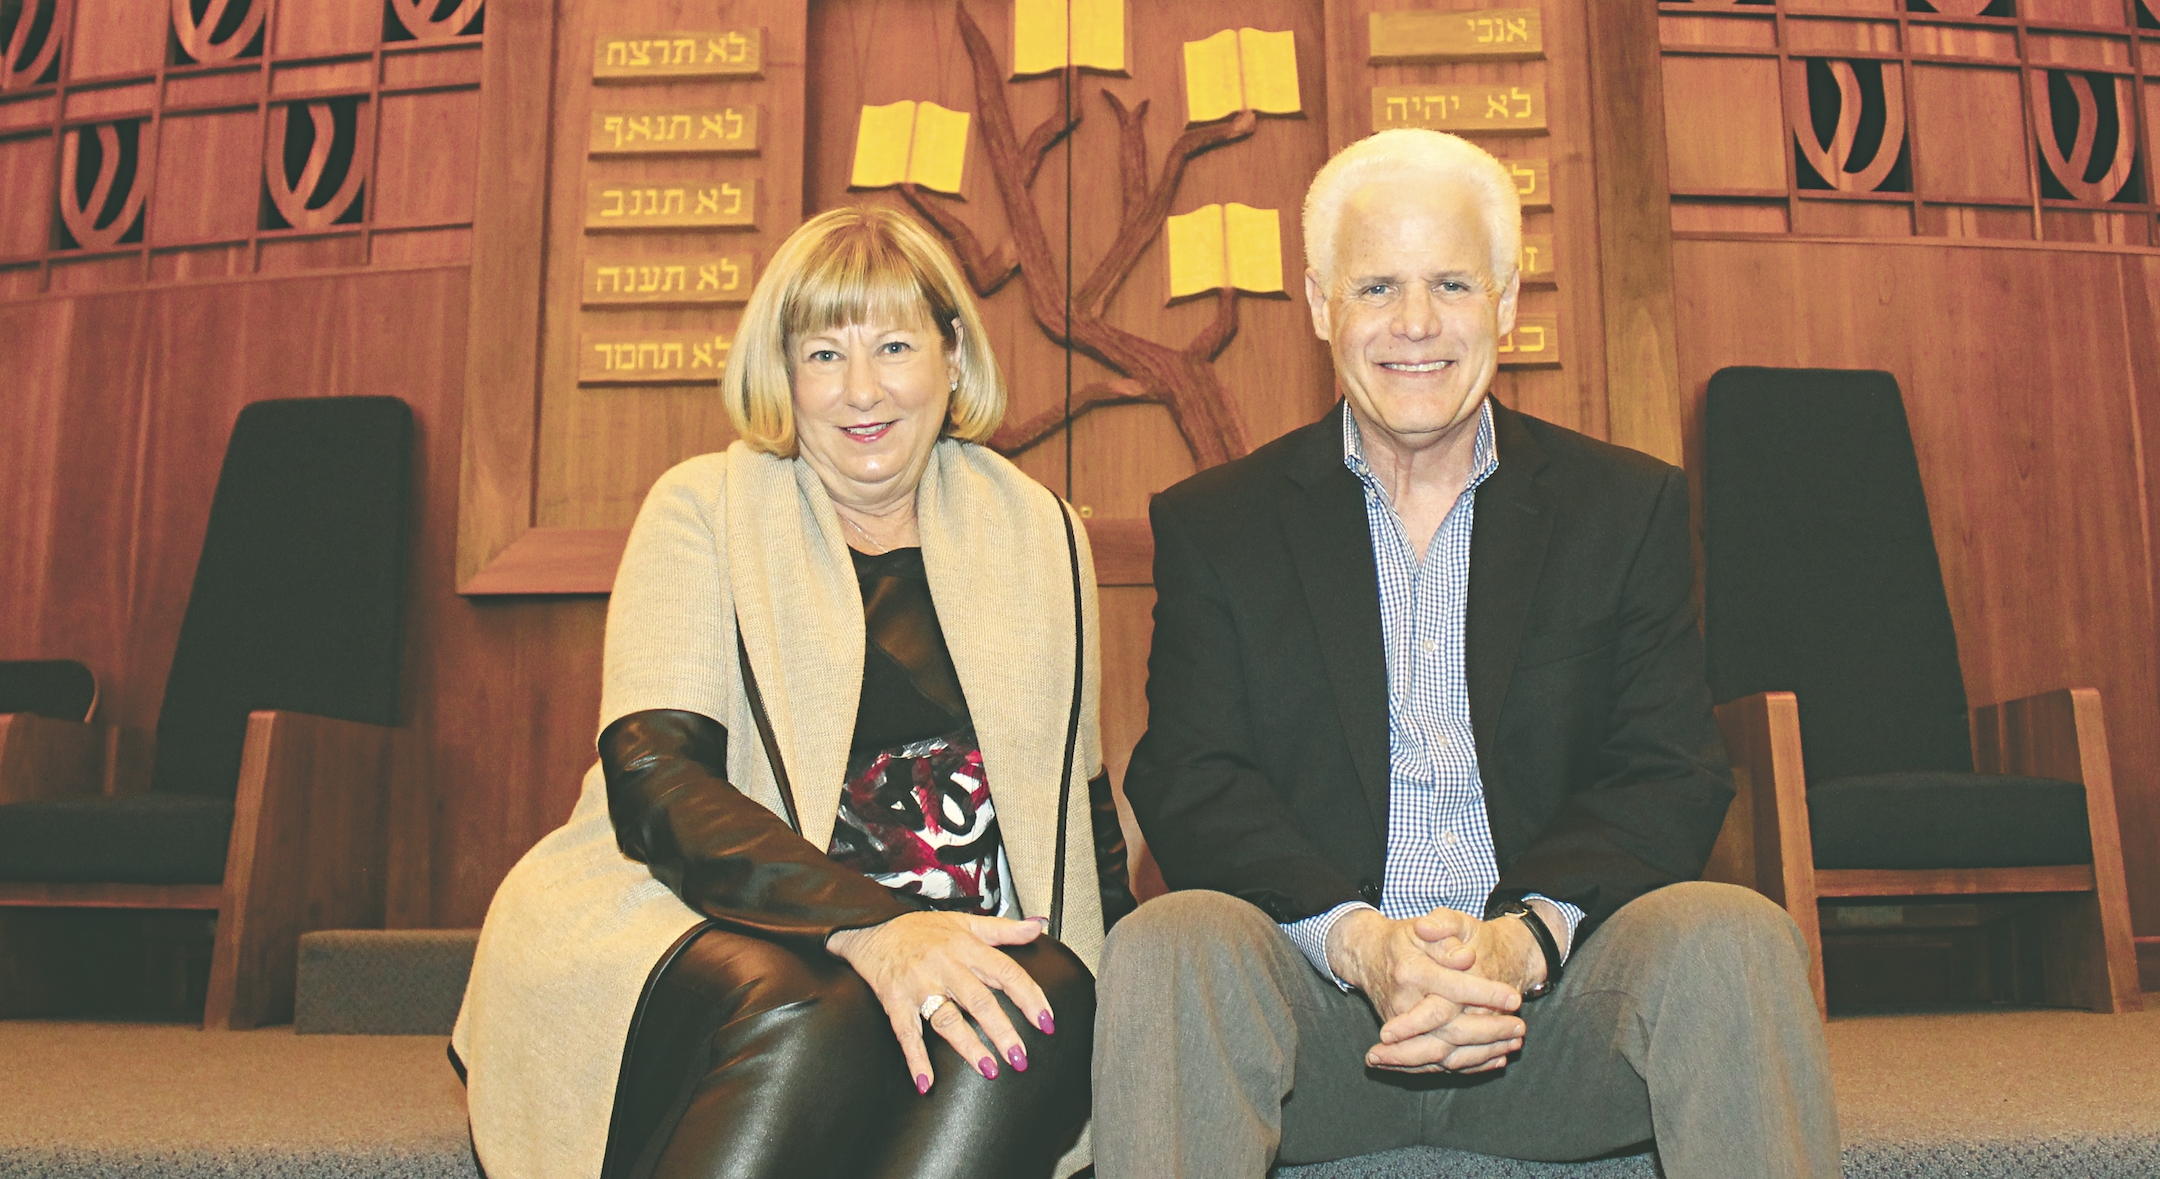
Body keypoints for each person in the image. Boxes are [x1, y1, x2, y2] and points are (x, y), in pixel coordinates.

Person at [1093, 129, 1839, 1178]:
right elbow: (1192, 776)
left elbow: (1668, 769)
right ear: (1318, 306)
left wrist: (1518, 945)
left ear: (1506, 298)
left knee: (1734, 934)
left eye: (1450, 282)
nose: (1415, 325)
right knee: (1167, 946)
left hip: (1554, 1023)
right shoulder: (1221, 525)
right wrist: (1362, 944)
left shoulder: (1623, 510)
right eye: (1376, 288)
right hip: (1319, 1033)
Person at [452, 206, 1131, 1179]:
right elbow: (656, 781)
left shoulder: (1041, 532)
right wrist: (875, 926)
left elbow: (1079, 797)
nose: (861, 390)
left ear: (951, 356)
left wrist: (1127, 992)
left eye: (894, 345)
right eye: (823, 354)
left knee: (1039, 998)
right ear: (785, 372)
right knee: (816, 1007)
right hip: (703, 908)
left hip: (961, 926)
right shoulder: (705, 507)